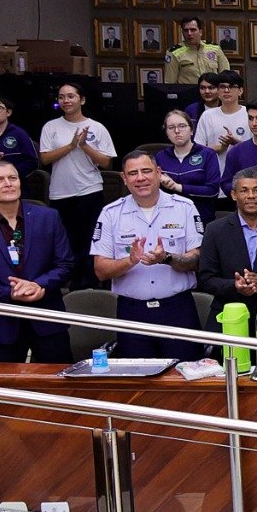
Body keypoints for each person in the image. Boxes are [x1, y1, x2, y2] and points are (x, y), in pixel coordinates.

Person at [92, 152, 203, 361]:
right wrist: (130, 261)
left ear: (159, 173)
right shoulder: (110, 213)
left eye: (146, 171)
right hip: (132, 313)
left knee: (185, 375)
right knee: (137, 376)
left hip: (178, 310)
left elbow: (198, 260)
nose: (140, 178)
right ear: (124, 178)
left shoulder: (184, 207)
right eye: (133, 173)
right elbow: (100, 270)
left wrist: (167, 258)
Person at [0, 160, 73, 362]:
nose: (8, 183)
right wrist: (10, 293)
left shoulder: (48, 217)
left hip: (47, 320)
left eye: (13, 178)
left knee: (59, 378)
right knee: (3, 383)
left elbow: (65, 264)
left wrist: (39, 285)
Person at [39, 83, 115, 289]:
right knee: (66, 241)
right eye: (61, 97)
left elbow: (106, 162)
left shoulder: (97, 127)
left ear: (82, 100)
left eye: (71, 96)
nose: (66, 100)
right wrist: (71, 146)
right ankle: (69, 284)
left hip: (90, 190)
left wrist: (84, 146)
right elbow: (45, 159)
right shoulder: (50, 127)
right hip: (60, 193)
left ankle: (89, 286)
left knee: (89, 239)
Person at [196, 168, 257, 322]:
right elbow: (206, 279)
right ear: (233, 195)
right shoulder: (215, 230)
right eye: (244, 191)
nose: (251, 196)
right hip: (228, 313)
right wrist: (235, 286)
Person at [155, 109, 222, 225]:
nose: (177, 131)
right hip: (169, 219)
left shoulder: (207, 154)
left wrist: (178, 187)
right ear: (167, 133)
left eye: (182, 126)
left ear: (191, 130)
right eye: (171, 127)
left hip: (201, 218)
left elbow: (213, 190)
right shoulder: (161, 157)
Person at [193, 73, 251, 175]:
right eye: (222, 87)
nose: (226, 90)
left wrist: (237, 144)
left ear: (240, 91)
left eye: (231, 87)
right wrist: (220, 148)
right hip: (214, 174)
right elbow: (198, 151)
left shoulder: (249, 114)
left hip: (244, 173)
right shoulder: (207, 115)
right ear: (218, 91)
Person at [0, 95, 40, 179]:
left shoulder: (19, 133)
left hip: (14, 183)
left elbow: (32, 162)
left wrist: (9, 173)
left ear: (8, 112)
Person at [163, 17, 227, 85]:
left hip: (212, 90)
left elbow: (226, 77)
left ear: (200, 32)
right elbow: (170, 84)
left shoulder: (215, 49)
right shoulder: (173, 53)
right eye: (186, 30)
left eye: (193, 30)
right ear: (182, 33)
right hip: (188, 91)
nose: (189, 33)